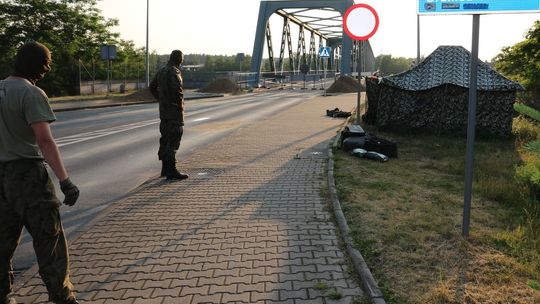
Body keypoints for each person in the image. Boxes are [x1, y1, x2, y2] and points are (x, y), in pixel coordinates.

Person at [0, 42, 80, 304]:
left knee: (2, 240)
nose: (47, 69)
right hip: (28, 177)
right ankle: (62, 297)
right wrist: (65, 181)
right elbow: (45, 141)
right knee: (50, 240)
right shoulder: (31, 93)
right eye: (46, 63)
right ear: (37, 64)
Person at [150, 49, 189, 180]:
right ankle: (171, 171)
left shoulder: (162, 71)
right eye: (182, 59)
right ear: (178, 59)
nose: (182, 61)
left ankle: (165, 169)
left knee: (165, 140)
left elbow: (151, 86)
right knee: (173, 141)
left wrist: (161, 100)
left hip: (164, 113)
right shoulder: (174, 72)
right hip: (174, 113)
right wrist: (179, 107)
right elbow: (178, 93)